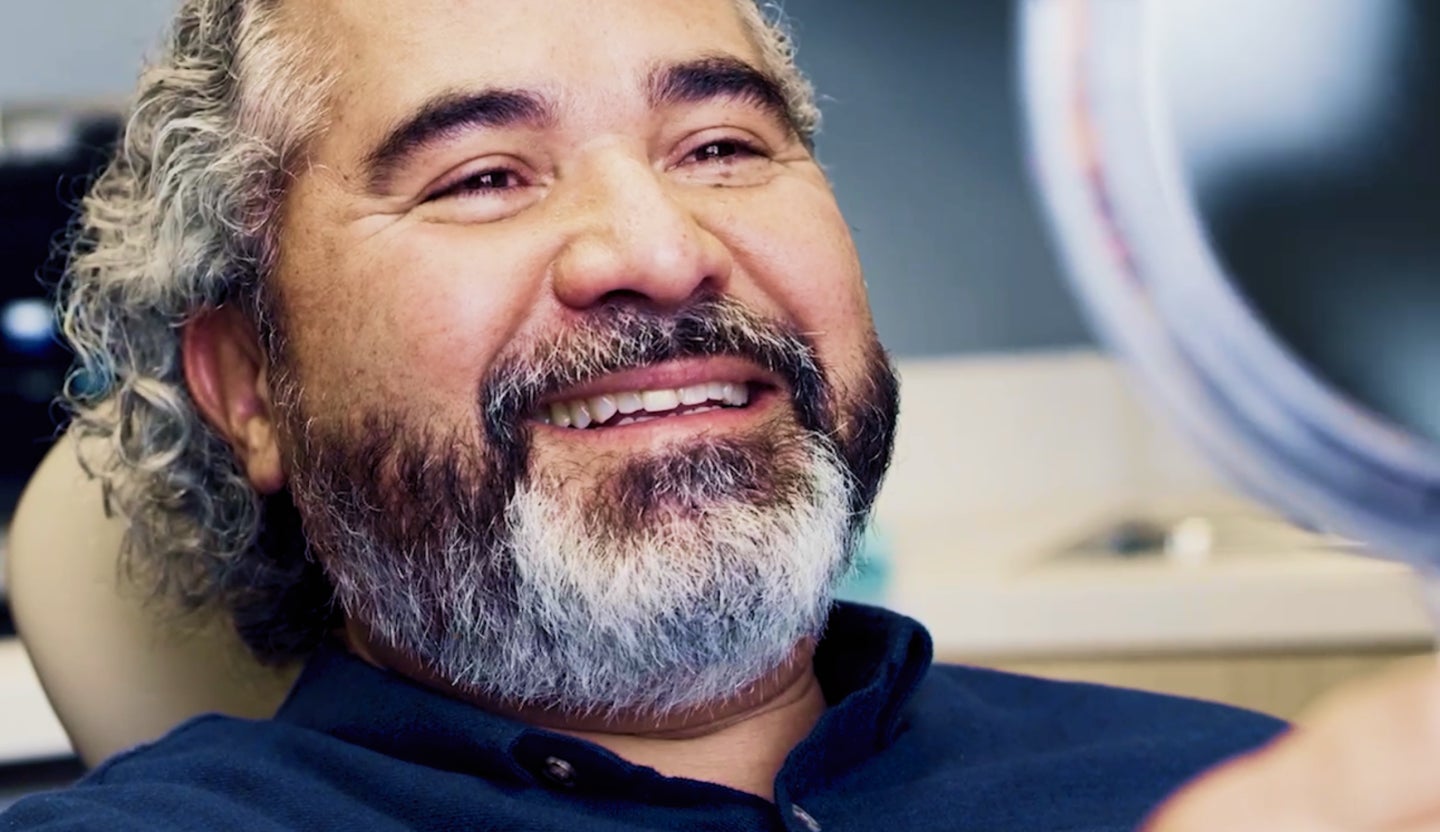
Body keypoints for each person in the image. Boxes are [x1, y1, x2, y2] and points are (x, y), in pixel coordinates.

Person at [4, 1, 1439, 830]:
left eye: (720, 145)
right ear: (251, 386)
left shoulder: (1240, 780)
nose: (661, 247)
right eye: (485, 175)